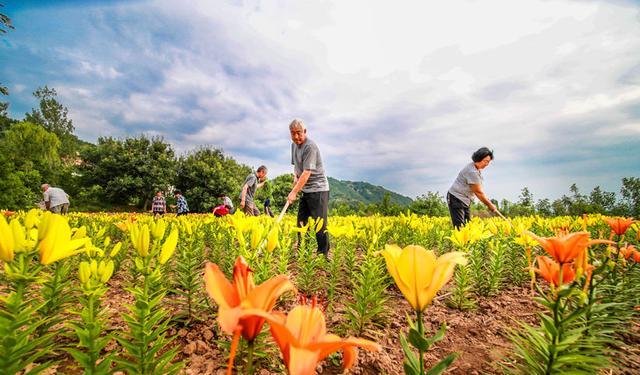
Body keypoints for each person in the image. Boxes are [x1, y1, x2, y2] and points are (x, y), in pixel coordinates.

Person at [286, 119, 330, 255]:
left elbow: (306, 173)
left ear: (305, 132)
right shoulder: (294, 146)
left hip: (319, 189)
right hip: (305, 189)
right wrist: (295, 177)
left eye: (299, 133)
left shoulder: (310, 146)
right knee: (301, 221)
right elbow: (296, 166)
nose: (296, 137)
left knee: (319, 223)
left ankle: (323, 254)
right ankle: (302, 250)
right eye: (293, 134)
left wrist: (293, 192)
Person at [447, 147, 497, 229]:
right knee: (460, 228)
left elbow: (478, 189)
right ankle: (461, 242)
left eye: (488, 162)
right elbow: (478, 192)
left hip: (465, 200)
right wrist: (490, 205)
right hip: (456, 198)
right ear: (479, 158)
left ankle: (468, 242)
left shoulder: (476, 168)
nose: (487, 164)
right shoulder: (472, 171)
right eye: (486, 161)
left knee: (468, 225)